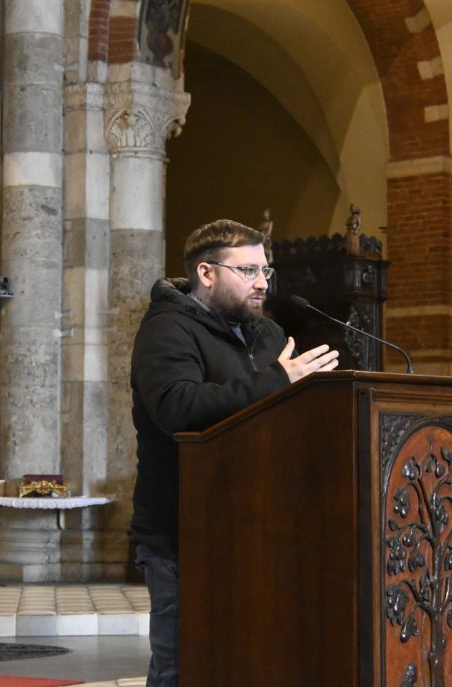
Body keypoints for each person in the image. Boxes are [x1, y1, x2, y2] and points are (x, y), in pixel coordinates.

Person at [129, 219, 340, 686]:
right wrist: (279, 380)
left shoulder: (269, 335)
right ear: (207, 273)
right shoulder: (167, 330)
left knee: (253, 661)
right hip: (186, 530)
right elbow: (178, 408)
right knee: (186, 665)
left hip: (263, 524)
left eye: (265, 270)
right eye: (247, 271)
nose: (262, 282)